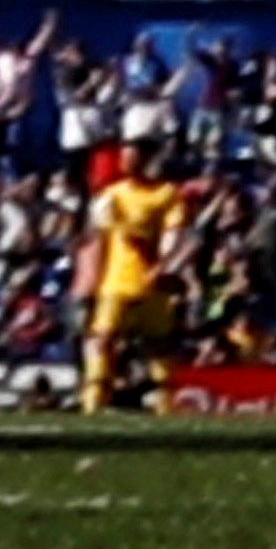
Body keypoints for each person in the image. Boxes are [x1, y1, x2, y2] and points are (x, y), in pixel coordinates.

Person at [77, 140, 190, 413]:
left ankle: (166, 405)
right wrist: (89, 277)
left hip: (151, 279)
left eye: (134, 158)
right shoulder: (112, 195)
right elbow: (97, 237)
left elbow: (174, 234)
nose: (128, 164)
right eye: (125, 159)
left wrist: (163, 265)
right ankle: (92, 404)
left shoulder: (165, 194)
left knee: (159, 344)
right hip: (116, 280)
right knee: (103, 338)